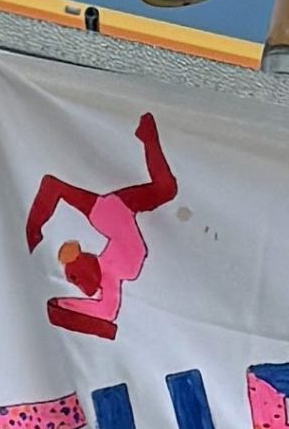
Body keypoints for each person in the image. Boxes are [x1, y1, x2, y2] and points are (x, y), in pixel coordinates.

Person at [24, 111, 178, 340]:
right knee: (166, 189)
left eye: (77, 279)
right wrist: (61, 307)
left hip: (113, 213)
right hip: (120, 212)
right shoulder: (109, 279)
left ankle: (147, 134)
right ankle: (146, 134)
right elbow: (107, 312)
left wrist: (34, 228)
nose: (85, 287)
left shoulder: (105, 265)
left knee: (165, 189)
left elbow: (104, 308)